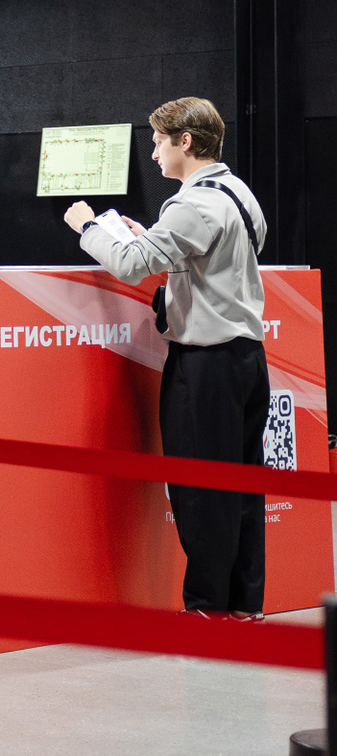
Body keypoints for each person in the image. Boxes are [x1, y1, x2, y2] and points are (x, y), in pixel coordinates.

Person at [64, 97, 269, 618]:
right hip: (248, 360)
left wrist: (88, 227)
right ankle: (244, 606)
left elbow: (130, 266)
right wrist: (153, 237)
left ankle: (205, 609)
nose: (153, 153)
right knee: (245, 488)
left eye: (158, 142)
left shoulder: (190, 205)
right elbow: (216, 260)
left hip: (205, 366)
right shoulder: (239, 193)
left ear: (186, 141)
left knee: (201, 490)